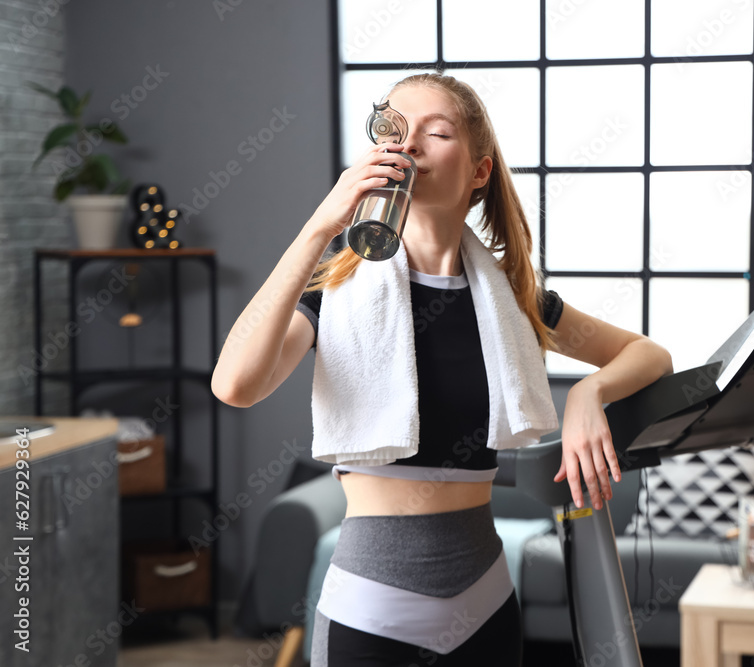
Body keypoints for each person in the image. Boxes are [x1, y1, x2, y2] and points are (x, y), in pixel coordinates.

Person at [212, 71, 673, 667]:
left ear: (479, 171)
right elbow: (235, 385)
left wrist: (590, 392)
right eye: (395, 131)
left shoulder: (512, 300)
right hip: (370, 613)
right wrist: (320, 228)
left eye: (437, 132)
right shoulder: (339, 290)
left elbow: (651, 356)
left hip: (485, 607)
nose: (410, 147)